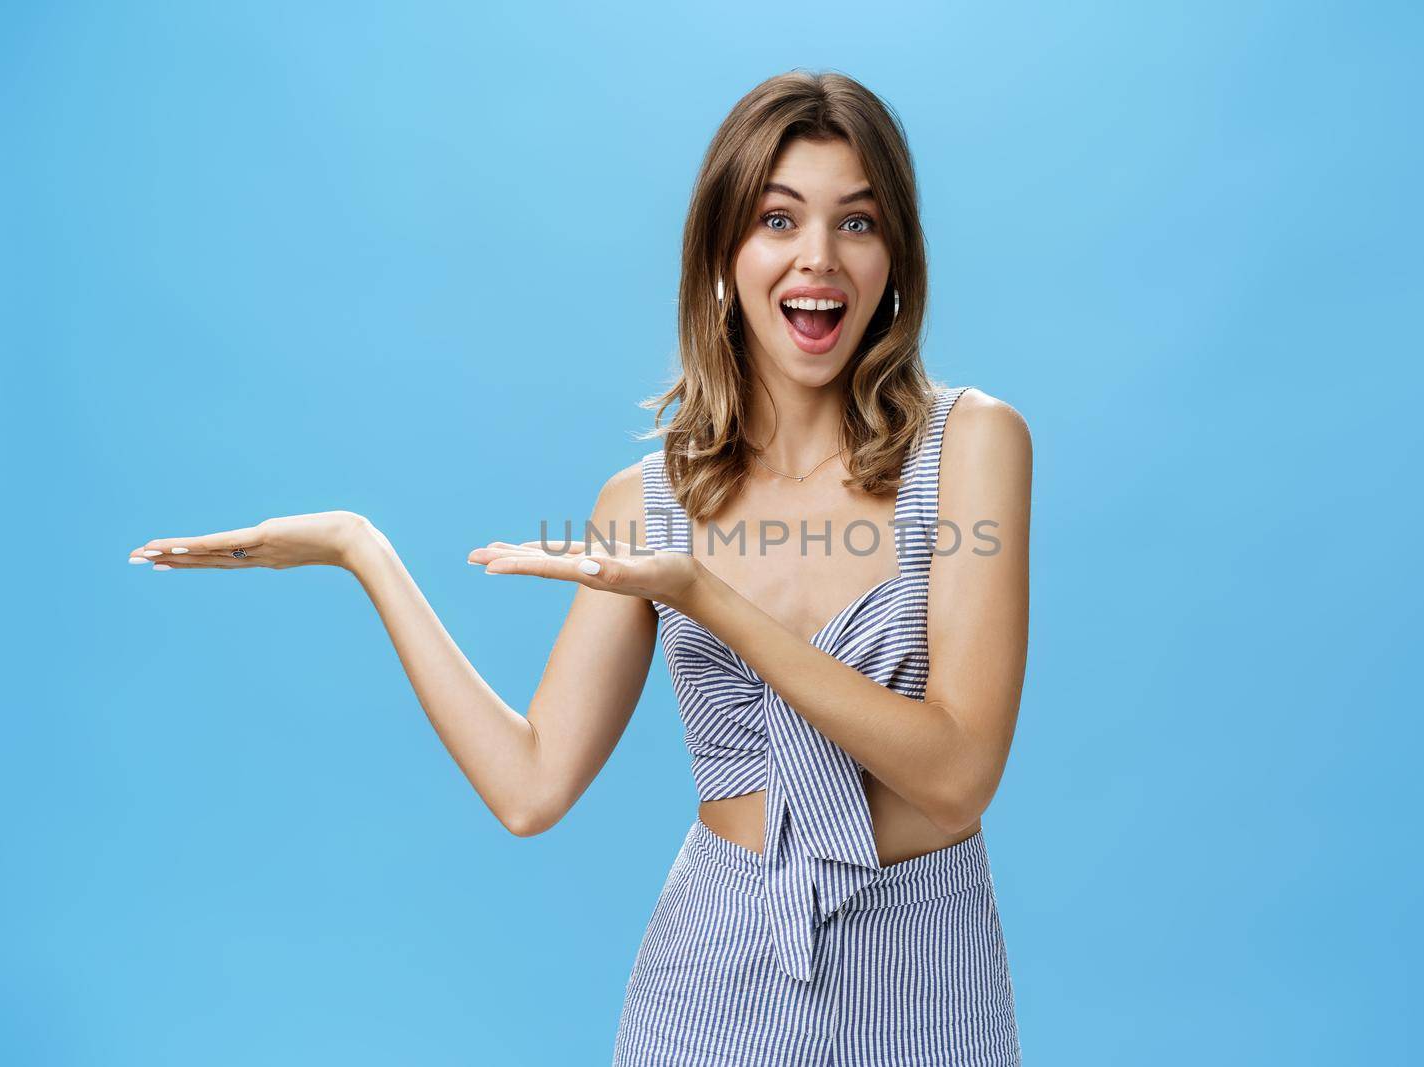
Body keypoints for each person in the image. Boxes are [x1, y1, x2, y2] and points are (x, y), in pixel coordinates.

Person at [128, 68, 1032, 1066]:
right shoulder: (646, 504)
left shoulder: (971, 447)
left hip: (926, 964)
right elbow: (530, 786)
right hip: (711, 972)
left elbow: (955, 775)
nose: (817, 257)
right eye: (778, 219)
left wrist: (706, 596)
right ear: (722, 257)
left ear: (896, 254)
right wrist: (362, 550)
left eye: (856, 223)